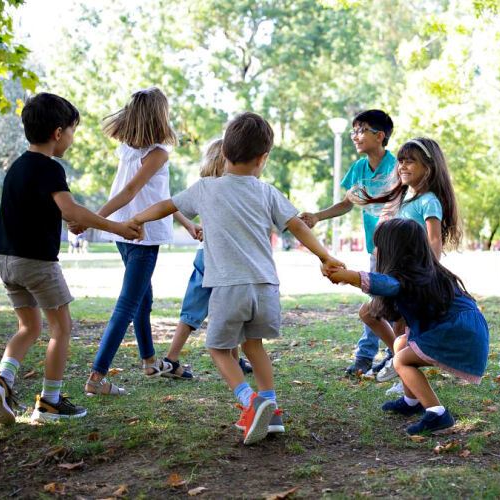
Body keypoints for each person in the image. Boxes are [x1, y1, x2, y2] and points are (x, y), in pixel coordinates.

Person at [130, 112, 344, 445]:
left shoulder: (205, 188)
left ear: (224, 153)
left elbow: (167, 205)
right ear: (263, 159)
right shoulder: (267, 192)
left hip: (229, 287)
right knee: (254, 346)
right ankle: (272, 411)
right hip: (266, 287)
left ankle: (250, 400)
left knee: (217, 348)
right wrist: (325, 256)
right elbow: (299, 226)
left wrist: (138, 218)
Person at [0, 93, 141, 425]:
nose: (72, 138)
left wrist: (68, 218)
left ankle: (2, 380)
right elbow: (69, 209)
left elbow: (44, 210)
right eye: (71, 131)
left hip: (7, 262)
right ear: (58, 133)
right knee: (61, 328)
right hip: (37, 263)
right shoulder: (50, 168)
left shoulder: (17, 167)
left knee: (28, 327)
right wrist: (118, 227)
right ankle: (50, 402)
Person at [76, 88, 200, 396]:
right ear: (160, 115)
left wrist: (185, 222)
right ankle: (97, 375)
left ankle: (149, 360)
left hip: (125, 231)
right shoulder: (157, 152)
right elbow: (130, 192)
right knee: (129, 303)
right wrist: (90, 219)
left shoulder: (128, 150)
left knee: (143, 298)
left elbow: (158, 196)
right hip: (140, 233)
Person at [324, 218, 488, 435]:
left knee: (401, 360)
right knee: (401, 344)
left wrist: (349, 277)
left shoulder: (409, 278)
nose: (375, 252)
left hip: (458, 333)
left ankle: (438, 414)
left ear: (394, 251)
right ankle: (412, 401)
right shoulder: (422, 273)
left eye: (379, 247)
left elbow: (386, 284)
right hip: (460, 330)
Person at [355, 137, 462, 384]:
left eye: (410, 161)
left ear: (429, 167)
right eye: (400, 161)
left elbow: (434, 240)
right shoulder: (402, 198)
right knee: (372, 315)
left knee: (402, 328)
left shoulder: (429, 201)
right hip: (395, 274)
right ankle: (399, 362)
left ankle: (405, 380)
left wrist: (431, 274)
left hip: (414, 278)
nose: (402, 166)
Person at [299, 109, 396, 377]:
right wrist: (318, 216)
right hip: (375, 249)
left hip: (397, 250)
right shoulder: (358, 169)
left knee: (380, 303)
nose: (355, 136)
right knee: (378, 301)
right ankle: (386, 355)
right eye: (353, 130)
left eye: (361, 130)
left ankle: (371, 356)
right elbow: (346, 204)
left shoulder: (397, 167)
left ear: (380, 136)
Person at [162, 138, 253, 379]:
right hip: (221, 259)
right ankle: (173, 359)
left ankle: (172, 358)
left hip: (205, 256)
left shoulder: (204, 186)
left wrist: (192, 225)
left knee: (199, 309)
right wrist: (194, 226)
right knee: (228, 307)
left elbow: (174, 205)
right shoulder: (230, 187)